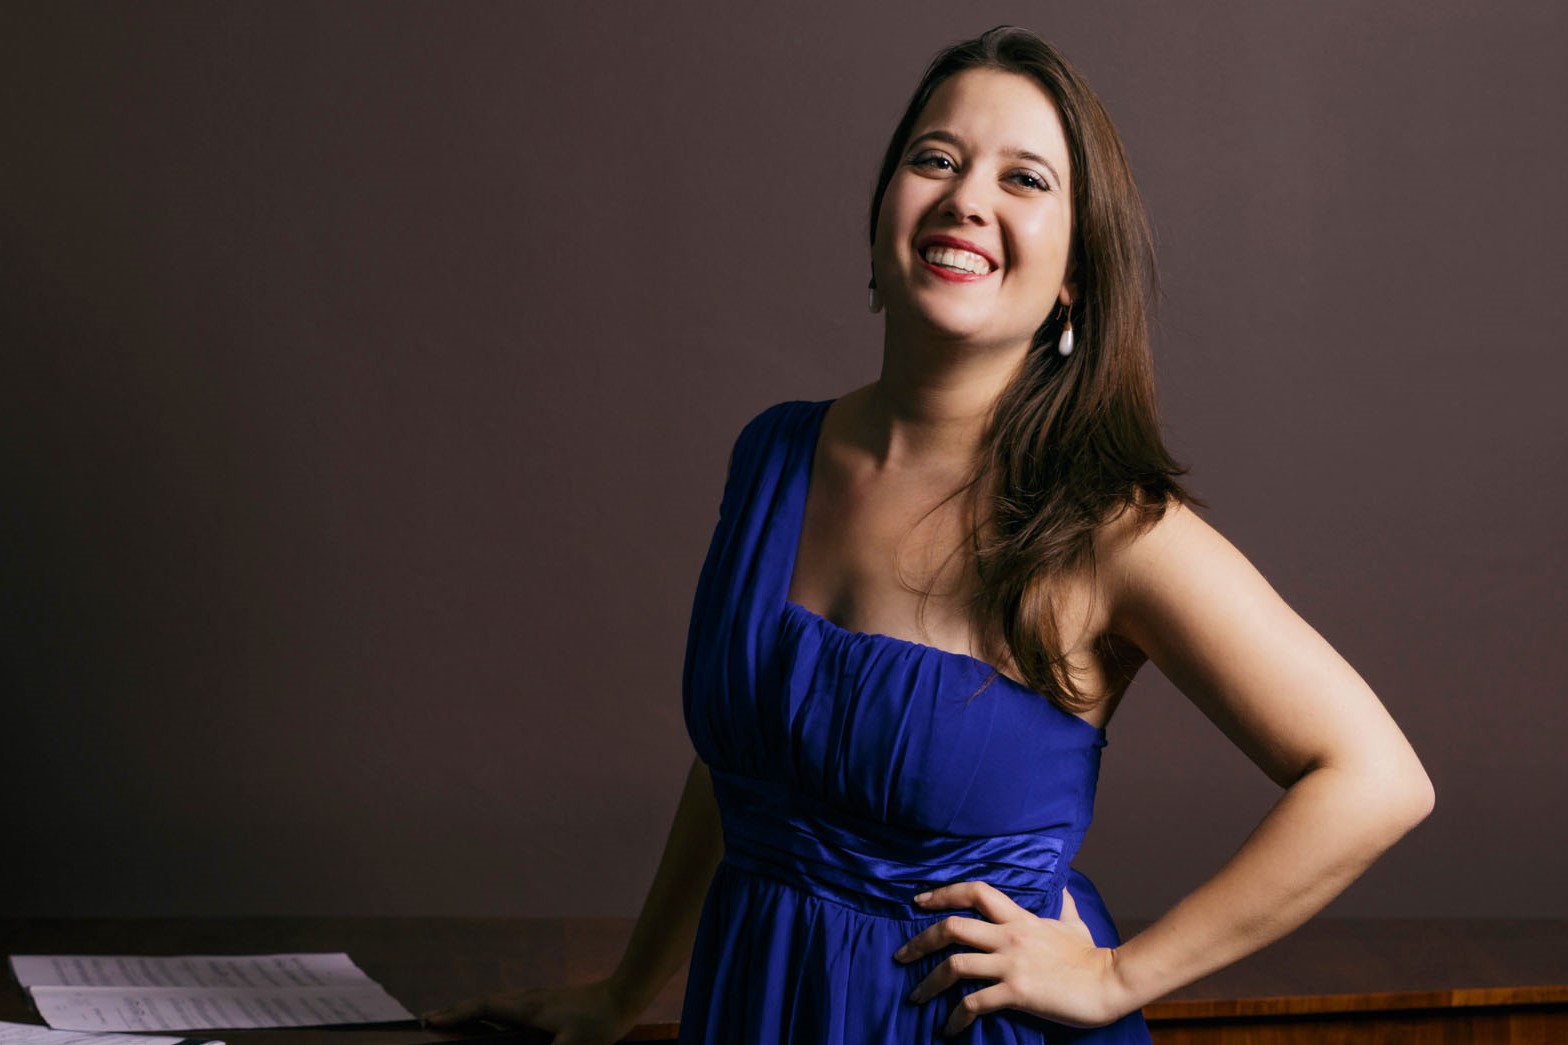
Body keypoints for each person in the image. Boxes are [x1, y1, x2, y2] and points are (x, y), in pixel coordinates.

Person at [425, 26, 1434, 1044]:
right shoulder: (774, 455)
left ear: (1075, 275)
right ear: (883, 215)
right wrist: (622, 993)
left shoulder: (1107, 531)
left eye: (1024, 178)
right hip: (752, 1008)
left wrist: (1116, 975)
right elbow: (747, 769)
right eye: (936, 159)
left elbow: (1376, 779)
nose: (966, 199)